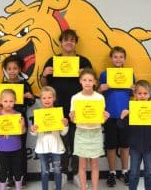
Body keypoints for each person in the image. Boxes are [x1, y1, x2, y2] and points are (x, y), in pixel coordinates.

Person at [40, 29, 92, 188]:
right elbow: (44, 86)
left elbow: (91, 83)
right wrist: (44, 74)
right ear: (61, 43)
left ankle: (76, 172)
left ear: (75, 42)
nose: (69, 42)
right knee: (60, 143)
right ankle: (61, 173)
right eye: (65, 40)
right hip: (57, 108)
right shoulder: (52, 61)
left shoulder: (83, 62)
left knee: (78, 142)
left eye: (72, 40)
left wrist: (84, 75)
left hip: (79, 107)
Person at [0, 55, 35, 188]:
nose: (12, 71)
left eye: (15, 68)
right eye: (9, 68)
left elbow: (31, 102)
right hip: (4, 122)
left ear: (20, 69)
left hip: (19, 121)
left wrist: (30, 96)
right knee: (6, 151)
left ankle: (22, 178)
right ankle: (9, 178)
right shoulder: (3, 86)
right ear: (5, 70)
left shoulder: (24, 84)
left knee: (20, 151)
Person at [120, 80, 151, 190]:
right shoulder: (131, 108)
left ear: (149, 94)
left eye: (145, 93)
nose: (142, 96)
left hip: (149, 147)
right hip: (134, 147)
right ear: (135, 94)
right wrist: (122, 117)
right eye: (139, 93)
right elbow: (122, 126)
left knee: (149, 173)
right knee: (133, 173)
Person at [69, 68, 110, 190]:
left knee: (94, 164)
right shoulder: (75, 98)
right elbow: (73, 119)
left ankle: (95, 188)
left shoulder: (99, 98)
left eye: (90, 80)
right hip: (81, 132)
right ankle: (83, 188)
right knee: (82, 165)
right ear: (80, 81)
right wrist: (72, 117)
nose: (87, 82)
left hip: (96, 132)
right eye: (84, 80)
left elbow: (102, 119)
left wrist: (105, 117)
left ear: (95, 82)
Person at [98, 46, 132, 187]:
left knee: (125, 146)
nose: (118, 59)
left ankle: (124, 171)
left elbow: (134, 94)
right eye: (115, 57)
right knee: (111, 146)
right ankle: (111, 173)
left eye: (121, 57)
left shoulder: (130, 74)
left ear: (125, 59)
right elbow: (98, 94)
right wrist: (101, 88)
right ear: (111, 59)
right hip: (109, 116)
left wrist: (133, 88)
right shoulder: (105, 74)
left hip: (125, 114)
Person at [30, 86, 69, 190]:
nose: (47, 100)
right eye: (44, 98)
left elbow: (63, 133)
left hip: (56, 146)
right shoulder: (38, 115)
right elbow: (34, 134)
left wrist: (65, 125)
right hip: (42, 148)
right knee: (44, 171)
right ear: (41, 99)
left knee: (57, 170)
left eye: (49, 97)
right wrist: (33, 129)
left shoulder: (58, 113)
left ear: (54, 98)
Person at [0, 89, 26, 190]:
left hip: (16, 148)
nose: (8, 104)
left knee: (17, 169)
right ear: (0, 101)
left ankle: (18, 187)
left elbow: (23, 132)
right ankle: (2, 187)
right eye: (5, 101)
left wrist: (22, 126)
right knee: (3, 170)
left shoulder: (18, 115)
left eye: (11, 101)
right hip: (2, 149)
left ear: (15, 101)